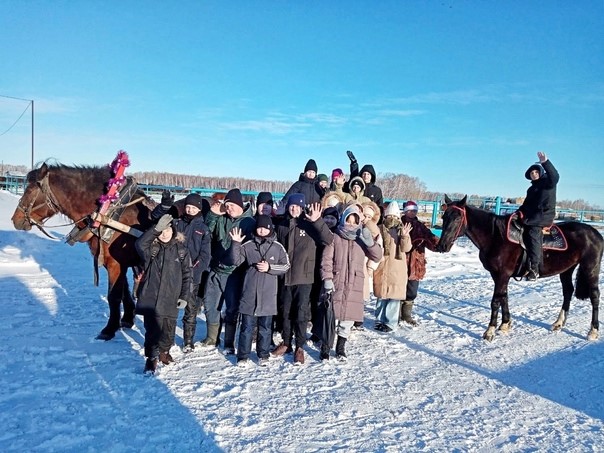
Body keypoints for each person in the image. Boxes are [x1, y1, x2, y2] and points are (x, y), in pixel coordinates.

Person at [272, 193, 333, 365]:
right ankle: (286, 343)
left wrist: (317, 220)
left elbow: (328, 239)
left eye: (297, 206)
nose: (294, 209)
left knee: (301, 313)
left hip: (304, 277)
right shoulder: (281, 226)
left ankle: (299, 346)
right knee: (285, 312)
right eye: (291, 206)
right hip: (284, 276)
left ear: (302, 207)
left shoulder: (310, 225)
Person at [225, 215, 290, 366]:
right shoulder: (247, 245)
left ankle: (263, 354)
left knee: (266, 328)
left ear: (270, 228)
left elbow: (286, 266)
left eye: (265, 228)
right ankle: (243, 356)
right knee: (246, 327)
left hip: (268, 295)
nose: (261, 230)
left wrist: (270, 268)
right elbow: (235, 261)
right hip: (249, 293)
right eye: (259, 227)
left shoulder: (277, 247)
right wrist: (235, 244)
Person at [321, 203, 383, 360]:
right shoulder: (335, 237)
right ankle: (325, 346)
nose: (351, 223)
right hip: (337, 281)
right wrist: (327, 279)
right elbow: (326, 260)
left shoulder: (361, 238)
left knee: (347, 319)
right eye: (349, 219)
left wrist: (370, 242)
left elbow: (377, 256)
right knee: (330, 317)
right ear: (343, 219)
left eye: (355, 221)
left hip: (354, 282)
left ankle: (340, 347)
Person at [152, 191, 211, 352]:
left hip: (192, 277)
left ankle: (188, 341)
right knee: (170, 310)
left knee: (190, 310)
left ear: (199, 209)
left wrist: (192, 271)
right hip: (173, 275)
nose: (190, 210)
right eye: (188, 207)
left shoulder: (203, 229)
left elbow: (205, 256)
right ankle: (167, 339)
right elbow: (156, 220)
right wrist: (164, 206)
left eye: (194, 207)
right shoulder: (176, 224)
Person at [135, 214, 192, 374]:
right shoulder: (151, 249)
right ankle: (151, 357)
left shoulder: (181, 251)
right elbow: (139, 244)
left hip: (171, 297)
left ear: (173, 230)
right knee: (152, 330)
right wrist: (155, 229)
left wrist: (184, 296)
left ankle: (164, 352)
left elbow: (188, 275)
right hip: (151, 297)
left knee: (168, 330)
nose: (164, 233)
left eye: (167, 229)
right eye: (161, 231)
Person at [201, 188, 256, 353]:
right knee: (210, 305)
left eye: (232, 205)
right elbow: (207, 233)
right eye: (227, 205)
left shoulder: (249, 223)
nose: (229, 208)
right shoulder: (221, 219)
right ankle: (212, 338)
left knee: (232, 308)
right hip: (216, 268)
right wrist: (212, 215)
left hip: (234, 273)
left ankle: (229, 342)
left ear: (240, 205)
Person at [518, 152, 560, 281]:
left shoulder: (548, 183)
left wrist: (545, 162)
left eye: (536, 172)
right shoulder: (531, 189)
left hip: (543, 215)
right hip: (531, 216)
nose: (534, 174)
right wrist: (517, 213)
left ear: (540, 172)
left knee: (533, 232)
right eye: (532, 173)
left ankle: (534, 268)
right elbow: (526, 205)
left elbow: (555, 176)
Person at [373, 201, 413, 333]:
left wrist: (405, 236)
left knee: (393, 298)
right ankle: (380, 320)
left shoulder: (401, 230)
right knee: (381, 295)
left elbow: (406, 248)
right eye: (389, 216)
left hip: (397, 269)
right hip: (382, 266)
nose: (392, 219)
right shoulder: (379, 228)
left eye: (395, 217)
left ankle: (390, 323)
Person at [400, 200, 440, 326]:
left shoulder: (421, 226)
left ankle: (406, 315)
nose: (412, 213)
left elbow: (430, 239)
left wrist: (440, 243)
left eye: (415, 210)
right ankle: (395, 314)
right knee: (399, 288)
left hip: (416, 262)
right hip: (401, 261)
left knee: (412, 290)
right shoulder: (399, 223)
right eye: (410, 210)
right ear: (405, 211)